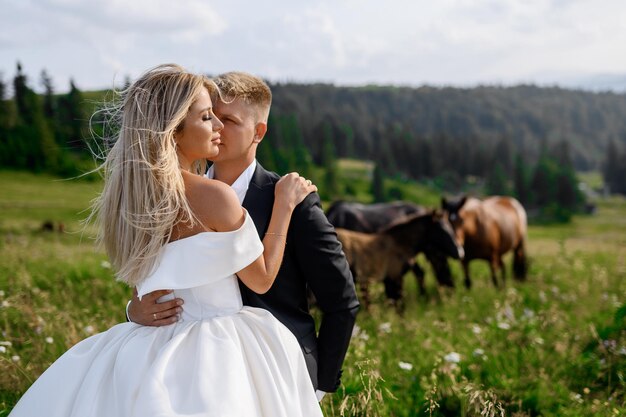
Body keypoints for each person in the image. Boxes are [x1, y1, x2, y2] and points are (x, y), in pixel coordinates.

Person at [9, 64, 323, 417]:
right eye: (207, 117)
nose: (218, 126)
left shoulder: (129, 198)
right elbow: (263, 278)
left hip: (145, 345)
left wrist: (133, 309)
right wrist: (284, 205)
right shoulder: (216, 197)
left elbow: (146, 279)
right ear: (174, 130)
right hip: (219, 346)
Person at [128, 71, 360, 399]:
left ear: (258, 131)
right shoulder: (168, 195)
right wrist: (133, 309)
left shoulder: (294, 201)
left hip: (280, 372)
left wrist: (319, 387)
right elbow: (156, 277)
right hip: (183, 372)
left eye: (229, 120)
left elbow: (342, 302)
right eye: (208, 116)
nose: (217, 128)